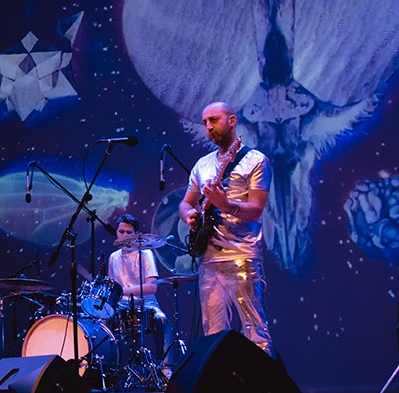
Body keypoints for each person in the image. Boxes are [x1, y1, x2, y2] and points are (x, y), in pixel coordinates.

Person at [177, 101, 274, 356]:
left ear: (232, 121)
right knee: (213, 334)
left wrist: (226, 204)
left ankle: (261, 390)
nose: (208, 127)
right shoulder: (202, 165)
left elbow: (255, 208)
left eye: (214, 120)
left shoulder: (256, 161)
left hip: (242, 255)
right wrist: (189, 215)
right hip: (210, 258)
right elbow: (186, 202)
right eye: (205, 123)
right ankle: (221, 391)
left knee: (255, 331)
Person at [107, 213, 169, 359]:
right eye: (121, 232)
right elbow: (111, 287)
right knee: (103, 324)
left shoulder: (145, 253)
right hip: (122, 306)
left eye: (129, 232)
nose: (125, 235)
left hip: (146, 304)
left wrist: (122, 291)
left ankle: (166, 367)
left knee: (162, 319)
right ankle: (110, 368)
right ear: (116, 232)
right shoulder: (113, 257)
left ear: (136, 234)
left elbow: (151, 287)